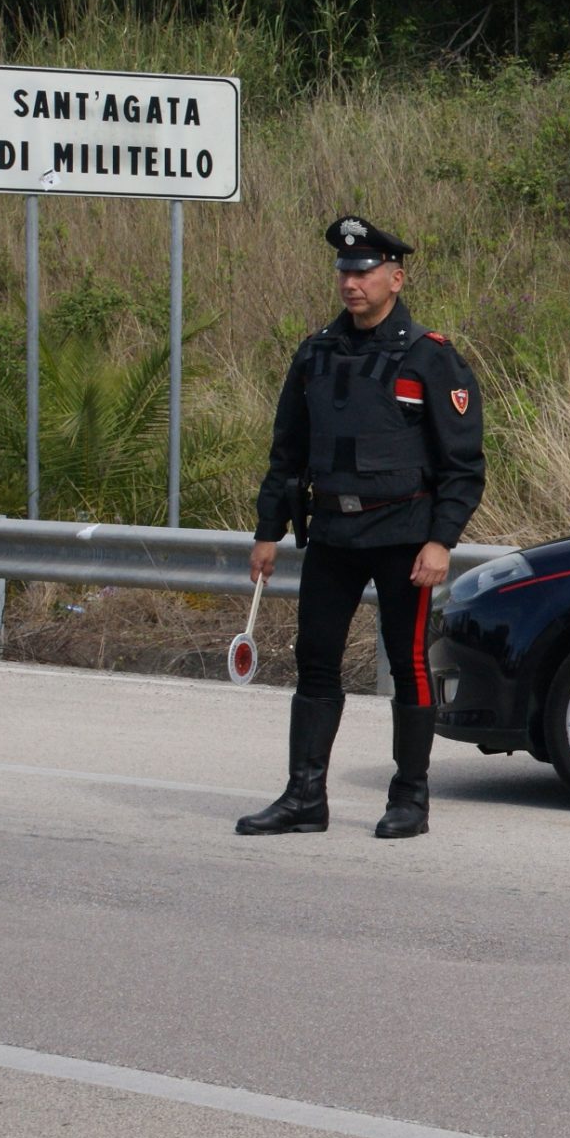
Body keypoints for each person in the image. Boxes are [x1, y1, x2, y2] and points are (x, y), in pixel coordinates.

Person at [236, 216, 484, 839]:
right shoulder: (316, 351)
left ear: (395, 279)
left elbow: (463, 465)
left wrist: (441, 541)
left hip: (406, 538)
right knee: (314, 661)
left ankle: (410, 798)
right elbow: (286, 450)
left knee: (410, 665)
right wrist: (268, 531)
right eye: (345, 270)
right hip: (333, 537)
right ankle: (304, 797)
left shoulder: (430, 355)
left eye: (366, 270)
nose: (352, 281)